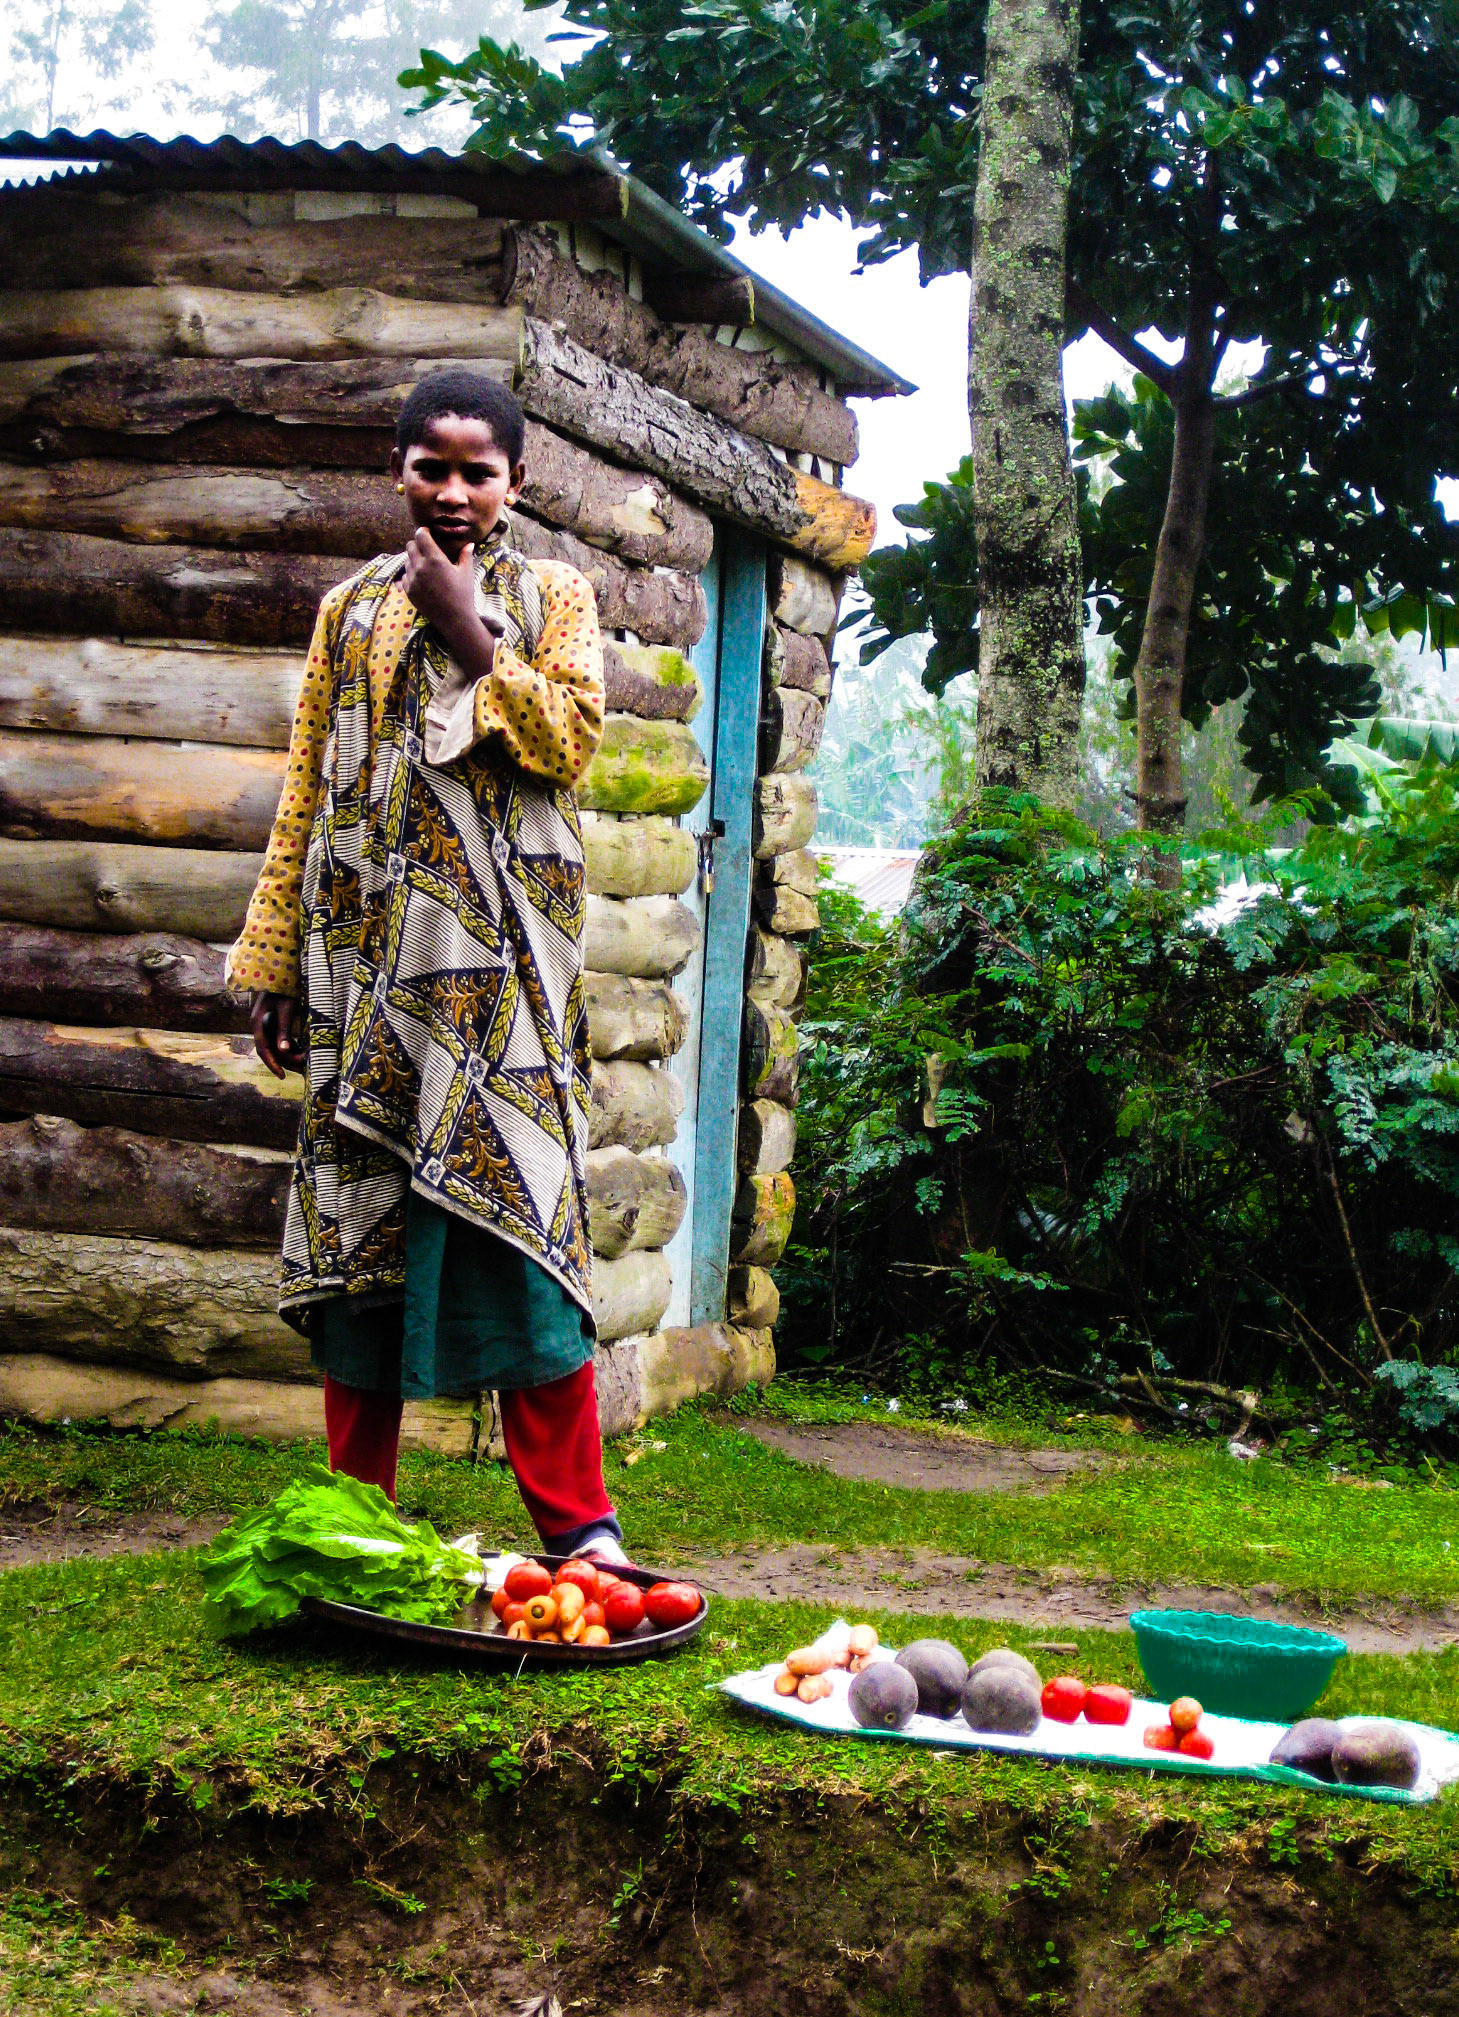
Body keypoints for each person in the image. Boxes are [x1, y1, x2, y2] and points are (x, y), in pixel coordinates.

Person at [226, 369, 625, 1563]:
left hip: (499, 974)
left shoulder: (555, 595)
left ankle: (581, 1525)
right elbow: (308, 786)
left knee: (521, 1212)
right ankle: (358, 1518)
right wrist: (277, 960)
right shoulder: (347, 611)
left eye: (479, 471)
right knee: (366, 1230)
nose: (454, 493)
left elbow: (570, 740)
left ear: (517, 479)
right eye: (432, 468)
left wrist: (464, 625)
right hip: (365, 964)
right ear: (396, 467)